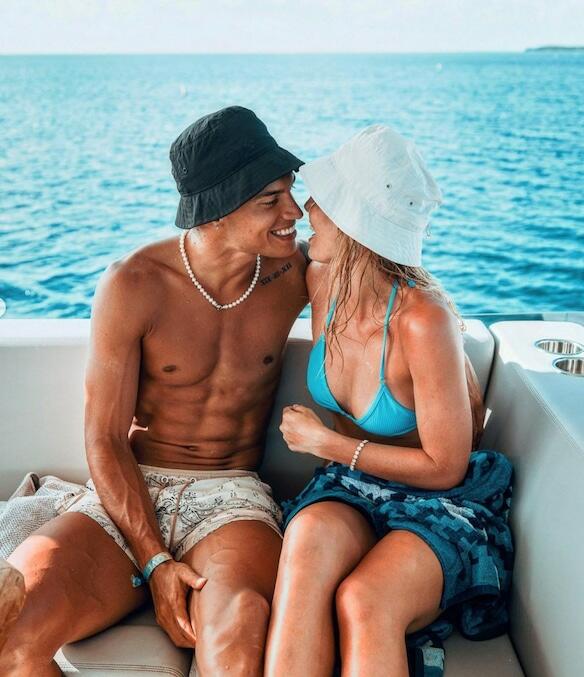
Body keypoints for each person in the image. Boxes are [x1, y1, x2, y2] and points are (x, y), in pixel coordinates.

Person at [0, 106, 308, 677]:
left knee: (237, 643)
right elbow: (104, 437)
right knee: (7, 634)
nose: (295, 211)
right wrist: (156, 562)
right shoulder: (135, 283)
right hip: (130, 490)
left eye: (291, 190)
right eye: (271, 199)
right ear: (217, 211)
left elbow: (388, 296)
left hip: (231, 495)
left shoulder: (296, 272)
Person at [264, 125, 514, 677]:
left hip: (440, 497)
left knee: (363, 601)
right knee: (302, 556)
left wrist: (328, 443)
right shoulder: (320, 279)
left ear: (356, 225)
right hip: (351, 487)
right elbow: (232, 260)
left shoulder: (423, 320)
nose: (306, 209)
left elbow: (446, 467)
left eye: (324, 200)